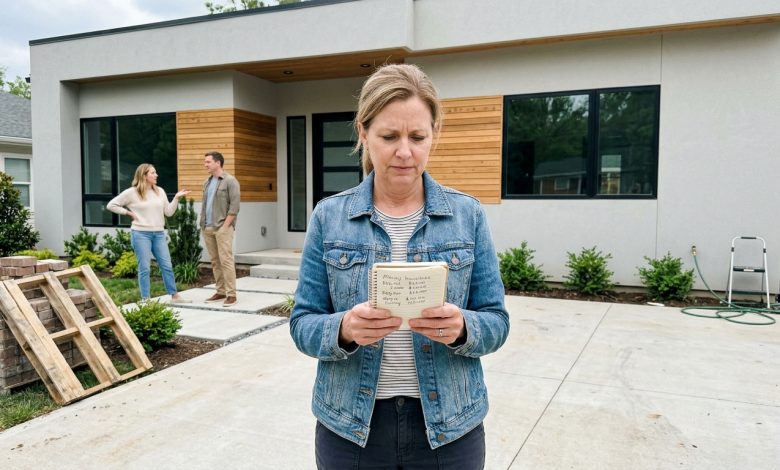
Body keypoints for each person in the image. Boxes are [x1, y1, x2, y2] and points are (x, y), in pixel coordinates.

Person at [289, 64, 510, 469]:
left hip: (450, 427)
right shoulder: (328, 217)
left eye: (417, 136)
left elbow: (496, 321)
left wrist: (463, 328)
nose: (404, 151)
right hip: (351, 429)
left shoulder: (468, 215)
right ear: (363, 133)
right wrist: (343, 329)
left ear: (434, 136)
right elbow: (302, 323)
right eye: (389, 136)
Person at [107, 163, 191, 303]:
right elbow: (111, 205)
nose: (156, 175)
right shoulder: (131, 192)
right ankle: (145, 299)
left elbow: (168, 212)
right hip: (140, 234)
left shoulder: (160, 191)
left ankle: (174, 296)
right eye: (153, 173)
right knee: (144, 268)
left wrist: (176, 198)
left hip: (158, 234)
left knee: (167, 265)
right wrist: (127, 212)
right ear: (144, 176)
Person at [199, 151, 240, 307]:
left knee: (226, 261)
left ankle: (231, 295)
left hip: (223, 227)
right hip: (207, 227)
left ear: (218, 163)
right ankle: (221, 291)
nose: (205, 165)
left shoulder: (230, 181)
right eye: (205, 162)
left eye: (208, 162)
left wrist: (224, 227)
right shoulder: (207, 182)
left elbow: (235, 207)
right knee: (215, 262)